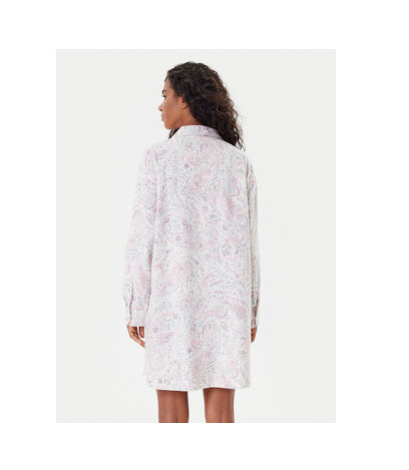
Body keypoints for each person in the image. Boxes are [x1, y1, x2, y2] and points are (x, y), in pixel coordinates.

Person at [122, 61, 260, 423]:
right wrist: (250, 310)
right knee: (222, 415)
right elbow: (251, 247)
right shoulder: (237, 162)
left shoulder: (158, 158)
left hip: (170, 301)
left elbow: (142, 239)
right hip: (227, 304)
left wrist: (136, 306)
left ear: (184, 99)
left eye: (165, 95)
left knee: (170, 414)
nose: (160, 105)